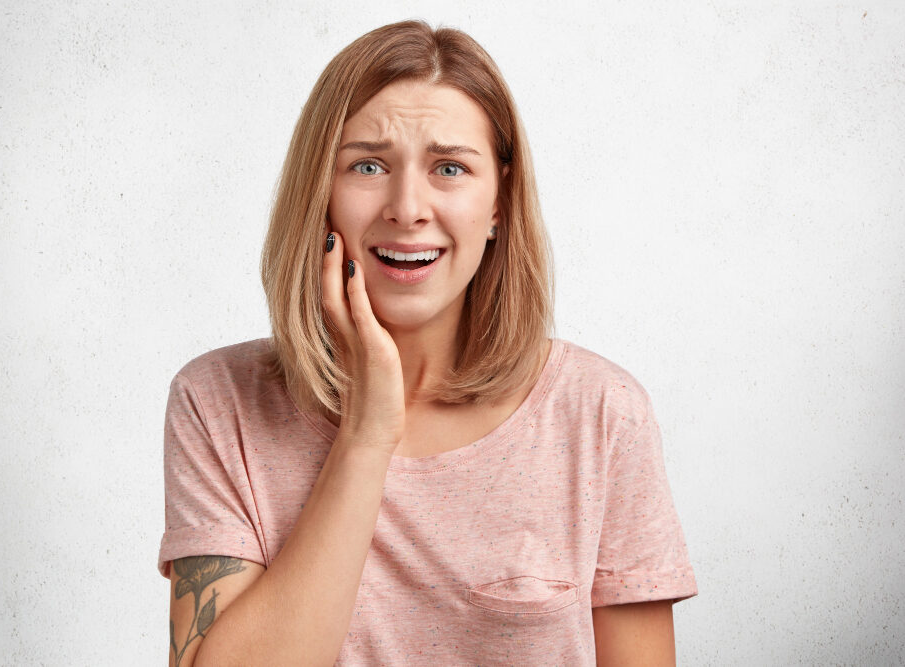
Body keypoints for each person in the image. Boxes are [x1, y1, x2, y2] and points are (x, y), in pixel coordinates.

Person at [158, 19, 697, 666]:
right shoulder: (217, 402)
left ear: (500, 200)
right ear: (319, 196)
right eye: (367, 165)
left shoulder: (602, 412)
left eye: (449, 167)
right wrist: (366, 434)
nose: (407, 207)